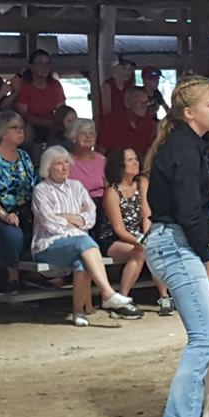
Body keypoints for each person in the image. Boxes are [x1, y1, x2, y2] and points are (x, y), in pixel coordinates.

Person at [143, 75, 209, 417]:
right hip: (173, 242)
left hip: (173, 241)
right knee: (204, 338)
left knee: (204, 337)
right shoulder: (183, 148)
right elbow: (189, 210)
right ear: (190, 112)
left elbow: (201, 209)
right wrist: (208, 257)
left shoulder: (188, 146)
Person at [32, 145, 142, 325]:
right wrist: (75, 221)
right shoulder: (41, 190)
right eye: (58, 163)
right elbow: (48, 222)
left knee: (82, 262)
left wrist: (68, 218)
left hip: (79, 243)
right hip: (48, 244)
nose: (64, 167)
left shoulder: (77, 187)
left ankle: (78, 313)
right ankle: (107, 293)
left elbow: (90, 217)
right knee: (84, 241)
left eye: (66, 162)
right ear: (48, 167)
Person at [99, 147, 174, 316]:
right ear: (120, 165)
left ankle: (164, 296)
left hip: (139, 234)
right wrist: (140, 241)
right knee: (141, 251)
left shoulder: (143, 183)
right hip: (114, 239)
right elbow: (118, 229)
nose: (136, 163)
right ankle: (121, 300)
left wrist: (148, 236)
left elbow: (148, 214)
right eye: (130, 160)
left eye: (136, 159)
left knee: (154, 247)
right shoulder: (112, 192)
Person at [0, 111, 36, 293]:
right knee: (13, 234)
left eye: (21, 128)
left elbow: (32, 185)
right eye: (15, 128)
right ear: (3, 132)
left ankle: (43, 274)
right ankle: (12, 276)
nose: (20, 132)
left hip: (25, 210)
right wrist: (4, 215)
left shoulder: (24, 156)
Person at [15, 49, 66, 144]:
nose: (45, 67)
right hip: (29, 124)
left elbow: (62, 110)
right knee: (27, 131)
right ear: (31, 66)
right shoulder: (24, 86)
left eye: (47, 63)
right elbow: (23, 114)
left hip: (51, 123)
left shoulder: (55, 85)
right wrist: (48, 123)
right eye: (40, 63)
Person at [97, 86, 157, 157]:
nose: (144, 106)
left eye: (146, 103)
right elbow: (101, 152)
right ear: (127, 103)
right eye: (140, 103)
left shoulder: (148, 121)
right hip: (118, 165)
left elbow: (152, 148)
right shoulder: (111, 122)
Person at [67, 119, 106, 204]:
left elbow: (110, 188)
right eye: (83, 133)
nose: (88, 137)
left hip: (100, 205)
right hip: (74, 204)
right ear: (73, 137)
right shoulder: (66, 160)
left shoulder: (102, 160)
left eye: (91, 133)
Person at [97, 56, 135, 122]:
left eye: (130, 69)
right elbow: (107, 112)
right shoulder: (107, 86)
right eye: (123, 68)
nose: (128, 72)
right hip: (110, 124)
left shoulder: (129, 86)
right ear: (114, 69)